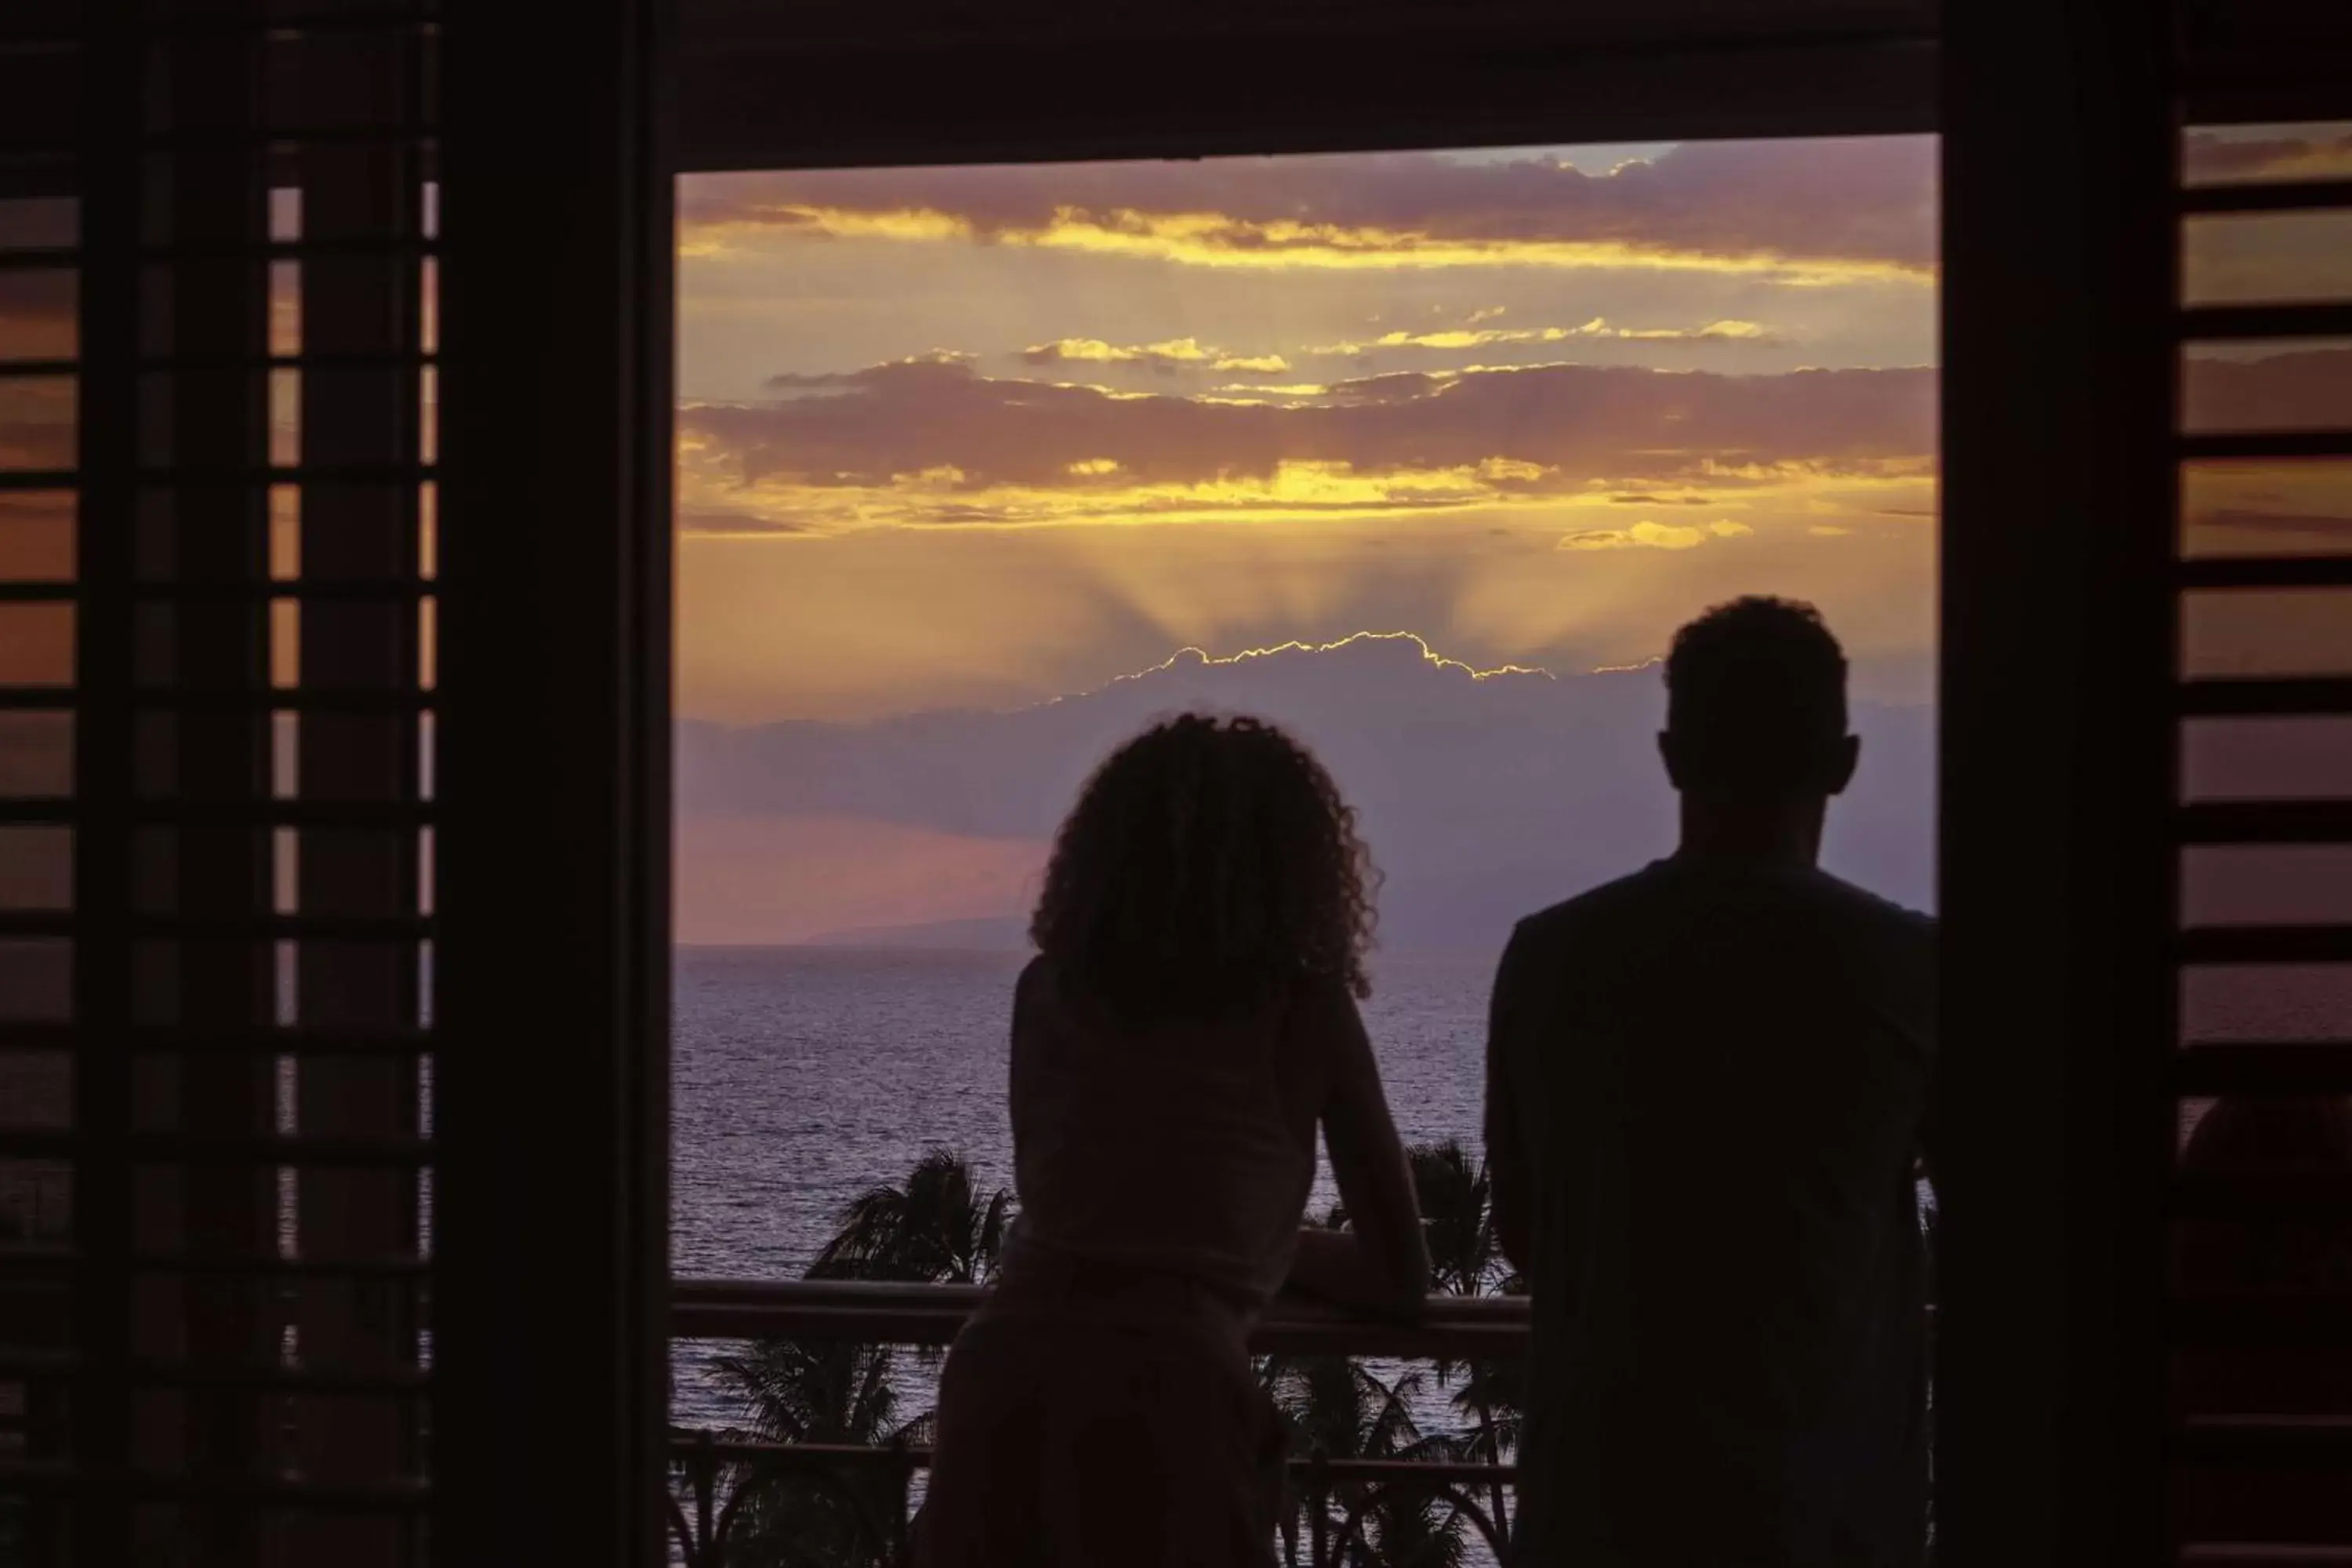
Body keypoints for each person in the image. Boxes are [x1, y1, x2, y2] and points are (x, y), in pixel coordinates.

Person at [918, 713, 1430, 1568]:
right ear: (1295, 867)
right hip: (1165, 1394)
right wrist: (1255, 1247)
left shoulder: (1047, 993)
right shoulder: (1304, 1013)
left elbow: (1075, 1205)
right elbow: (1399, 1275)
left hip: (998, 1373)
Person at [1485, 597, 1936, 1567]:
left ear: (1672, 756)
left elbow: (1524, 1229)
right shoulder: (1911, 969)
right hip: (1824, 1517)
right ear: (1845, 763)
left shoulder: (1549, 958)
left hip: (1594, 1516)